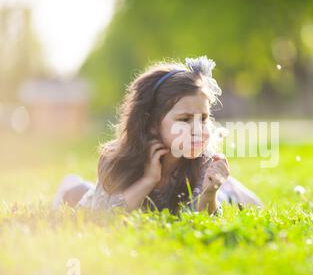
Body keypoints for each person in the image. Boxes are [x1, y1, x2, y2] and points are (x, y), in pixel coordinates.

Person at [52, 56, 263, 216]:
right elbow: (102, 216)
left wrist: (210, 193)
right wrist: (148, 180)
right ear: (151, 123)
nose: (198, 128)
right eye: (184, 119)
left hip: (217, 193)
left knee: (241, 201)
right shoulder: (118, 160)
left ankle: (230, 188)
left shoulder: (203, 163)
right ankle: (70, 184)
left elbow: (202, 220)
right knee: (78, 193)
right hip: (99, 196)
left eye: (203, 118)